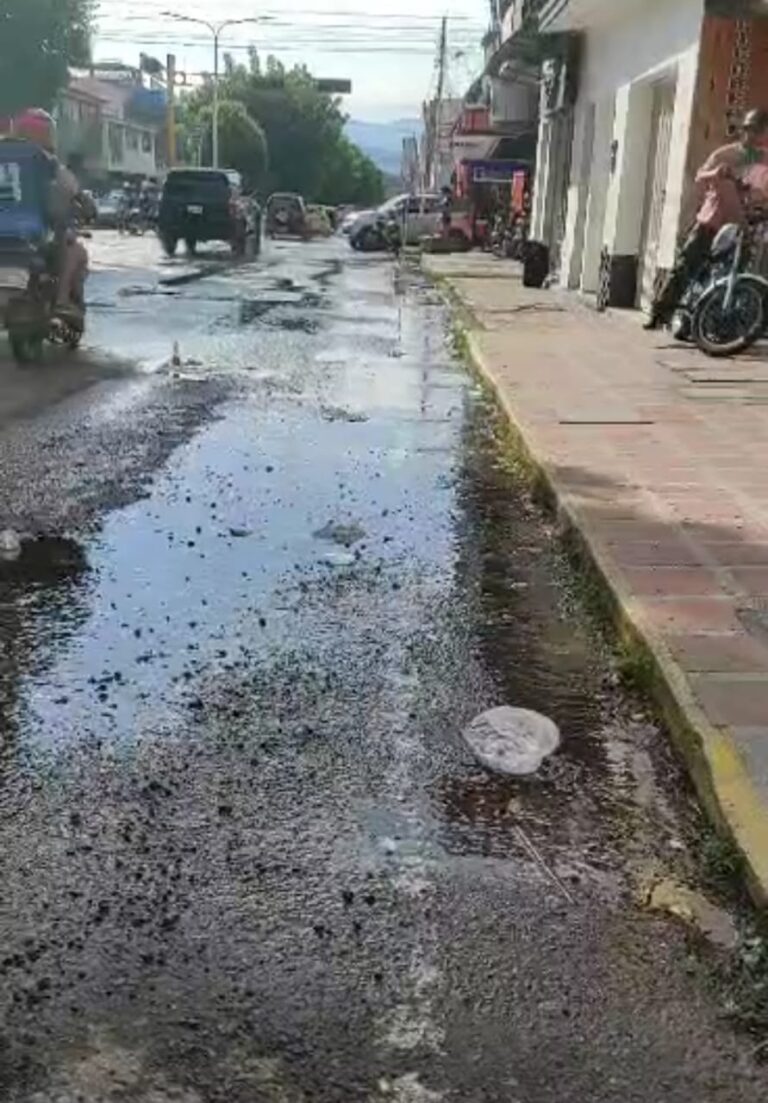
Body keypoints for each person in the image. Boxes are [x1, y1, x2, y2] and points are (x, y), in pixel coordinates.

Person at [645, 107, 768, 329]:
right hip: (712, 222)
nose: (755, 136)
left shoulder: (766, 161)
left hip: (744, 228)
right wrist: (716, 173)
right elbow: (700, 175)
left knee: (736, 273)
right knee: (686, 266)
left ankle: (722, 322)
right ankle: (660, 312)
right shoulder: (727, 154)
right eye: (750, 130)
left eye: (759, 131)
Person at [6, 109, 93, 320]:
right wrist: (86, 206)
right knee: (76, 252)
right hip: (31, 234)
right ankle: (62, 301)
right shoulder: (44, 159)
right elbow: (71, 190)